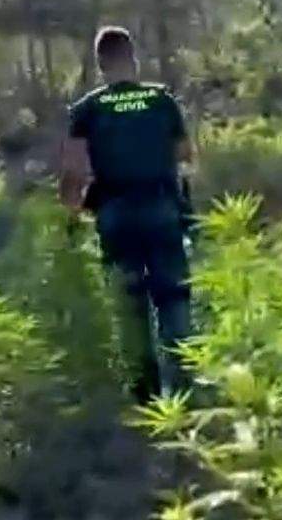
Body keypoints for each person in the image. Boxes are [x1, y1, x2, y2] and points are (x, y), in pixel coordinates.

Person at [60, 27, 195, 403]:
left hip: (116, 213)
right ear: (133, 58)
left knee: (129, 305)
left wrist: (72, 216)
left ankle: (146, 399)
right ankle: (185, 394)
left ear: (100, 63)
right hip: (162, 208)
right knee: (174, 298)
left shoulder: (87, 109)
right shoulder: (161, 100)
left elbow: (73, 172)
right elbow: (186, 156)